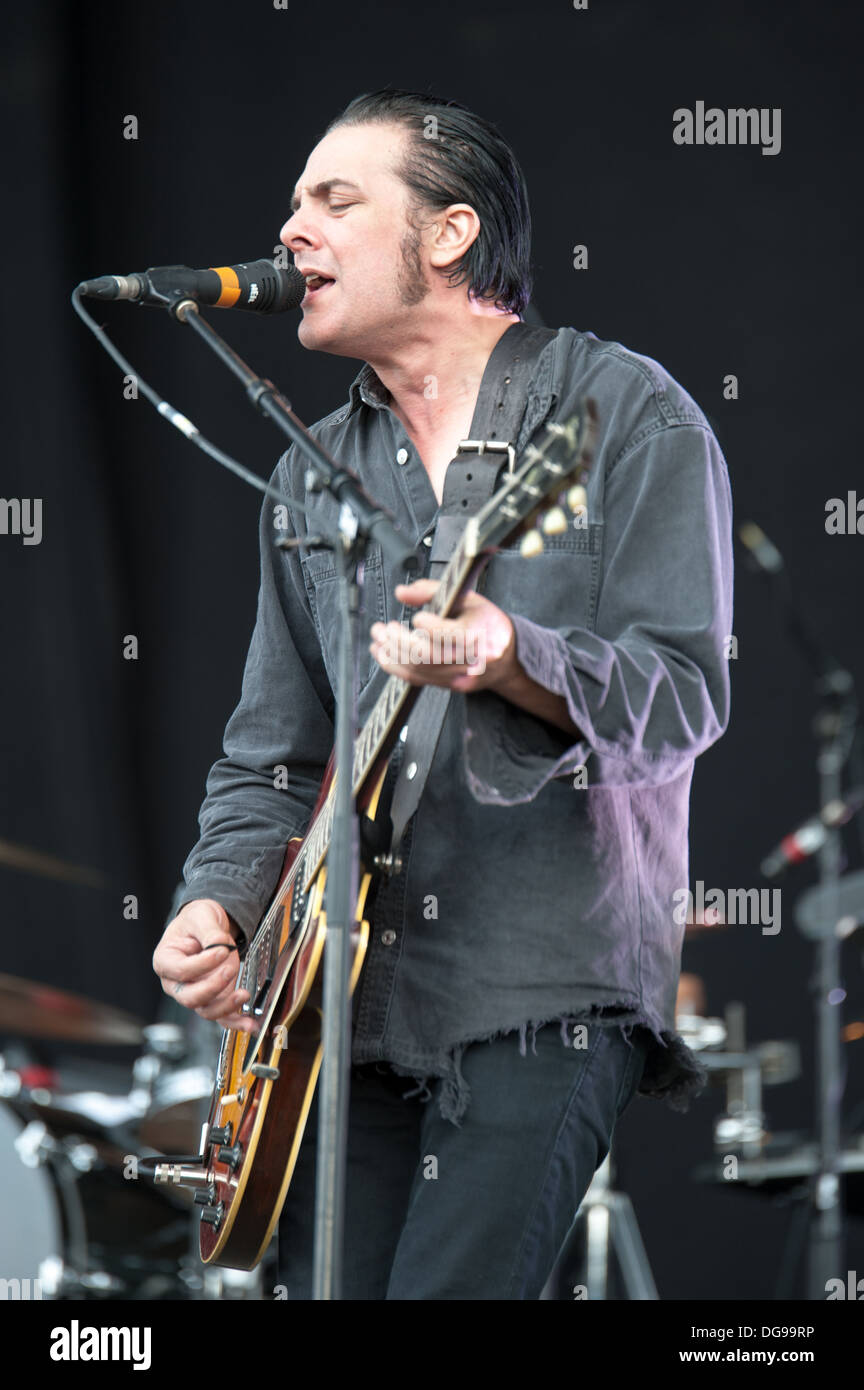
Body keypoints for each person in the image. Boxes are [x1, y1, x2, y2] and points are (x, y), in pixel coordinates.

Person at [152, 88, 733, 1300]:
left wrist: (509, 654)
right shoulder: (307, 474)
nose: (292, 228)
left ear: (450, 234)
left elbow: (682, 694)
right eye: (297, 201)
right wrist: (215, 904)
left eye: (335, 199)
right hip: (333, 1008)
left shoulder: (618, 411)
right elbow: (270, 757)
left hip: (542, 982)